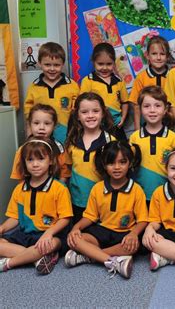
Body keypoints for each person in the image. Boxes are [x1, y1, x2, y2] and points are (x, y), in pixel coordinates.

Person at [65, 141, 148, 279]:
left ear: (130, 163)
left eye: (122, 162)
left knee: (133, 246)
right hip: (101, 231)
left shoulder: (136, 190)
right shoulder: (97, 188)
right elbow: (90, 216)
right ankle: (113, 261)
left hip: (124, 235)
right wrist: (76, 227)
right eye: (111, 163)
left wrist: (133, 234)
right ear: (104, 165)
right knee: (76, 240)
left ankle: (90, 256)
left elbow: (143, 220)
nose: (117, 167)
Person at [0, 139, 72, 274]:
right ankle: (36, 258)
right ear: (25, 163)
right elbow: (14, 218)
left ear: (50, 161)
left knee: (50, 245)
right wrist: (2, 228)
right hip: (25, 234)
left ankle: (9, 263)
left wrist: (48, 233)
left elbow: (65, 218)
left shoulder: (59, 188)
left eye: (40, 159)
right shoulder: (19, 189)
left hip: (51, 235)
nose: (35, 164)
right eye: (30, 160)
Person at [65, 92, 115, 222]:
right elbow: (67, 171)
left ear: (103, 113)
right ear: (77, 115)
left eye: (95, 111)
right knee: (75, 237)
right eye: (85, 112)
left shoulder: (111, 142)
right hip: (76, 202)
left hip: (102, 203)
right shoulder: (72, 141)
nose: (91, 115)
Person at [129, 86, 175, 203]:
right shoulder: (134, 137)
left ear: (165, 109)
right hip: (139, 196)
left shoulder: (173, 138)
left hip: (166, 195)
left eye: (157, 106)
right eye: (147, 106)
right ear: (140, 109)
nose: (152, 110)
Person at [24, 42, 79, 144]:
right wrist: (30, 137)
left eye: (57, 65)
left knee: (64, 159)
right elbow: (29, 116)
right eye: (47, 64)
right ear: (40, 63)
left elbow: (76, 113)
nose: (52, 69)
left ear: (62, 64)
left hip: (66, 134)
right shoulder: (34, 87)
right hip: (41, 135)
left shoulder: (72, 85)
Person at [80, 42, 129, 140]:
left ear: (114, 63)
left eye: (109, 64)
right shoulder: (88, 81)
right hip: (96, 125)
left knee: (120, 150)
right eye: (100, 64)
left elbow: (125, 102)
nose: (105, 68)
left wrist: (123, 118)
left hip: (116, 126)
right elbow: (82, 105)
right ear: (94, 62)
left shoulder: (119, 81)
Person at [11, 104, 70, 183]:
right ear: (30, 124)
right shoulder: (23, 149)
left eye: (47, 123)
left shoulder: (59, 148)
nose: (41, 127)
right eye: (36, 123)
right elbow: (19, 175)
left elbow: (64, 174)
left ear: (55, 126)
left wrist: (59, 189)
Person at [128, 35, 174, 130]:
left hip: (169, 125)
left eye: (162, 54)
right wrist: (137, 129)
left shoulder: (173, 76)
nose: (158, 58)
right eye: (154, 54)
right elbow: (136, 105)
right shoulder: (141, 78)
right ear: (147, 55)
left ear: (168, 56)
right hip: (147, 124)